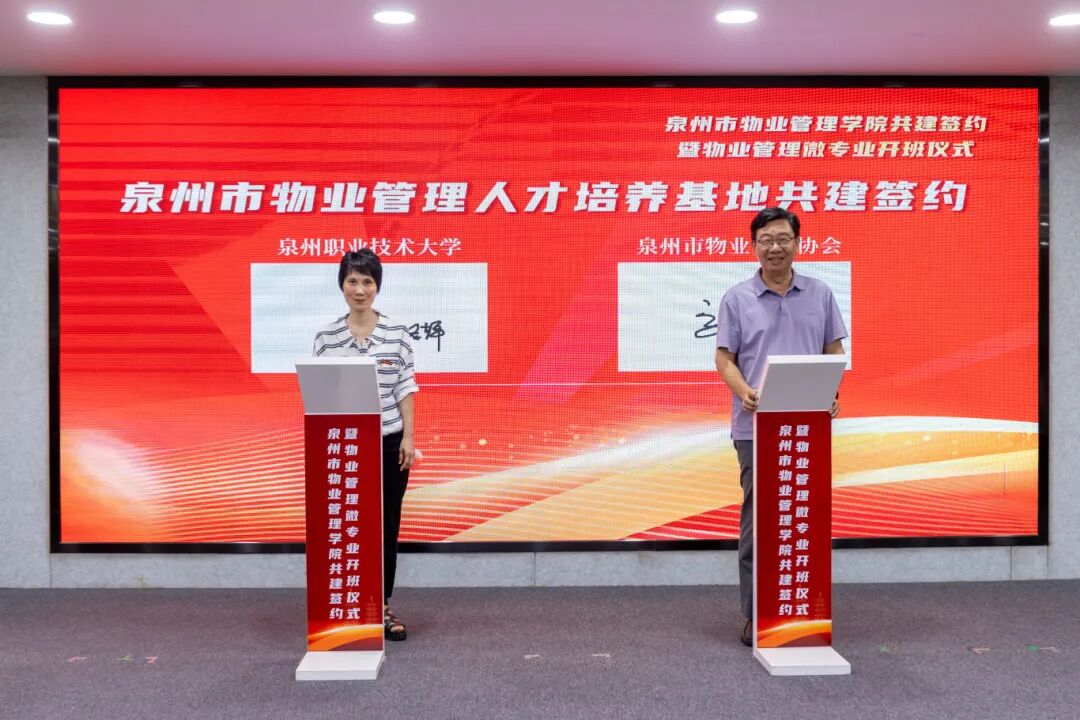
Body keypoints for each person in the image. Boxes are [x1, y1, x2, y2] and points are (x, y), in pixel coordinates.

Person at [714, 207, 847, 647]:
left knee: (804, 519)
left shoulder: (820, 294)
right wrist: (745, 392)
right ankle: (756, 615)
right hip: (755, 429)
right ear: (754, 246)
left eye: (783, 239)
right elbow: (724, 359)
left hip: (808, 428)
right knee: (759, 524)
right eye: (766, 240)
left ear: (798, 243)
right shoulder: (737, 298)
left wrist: (830, 391)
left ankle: (803, 610)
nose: (775, 247)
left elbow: (833, 350)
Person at [313, 249, 418, 641]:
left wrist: (409, 437)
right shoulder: (326, 338)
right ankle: (346, 607)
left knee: (386, 526)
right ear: (342, 286)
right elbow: (321, 394)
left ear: (377, 287)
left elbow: (405, 388)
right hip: (344, 447)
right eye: (352, 281)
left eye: (367, 282)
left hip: (389, 443)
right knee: (345, 527)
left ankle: (381, 606)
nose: (360, 290)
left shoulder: (397, 334)